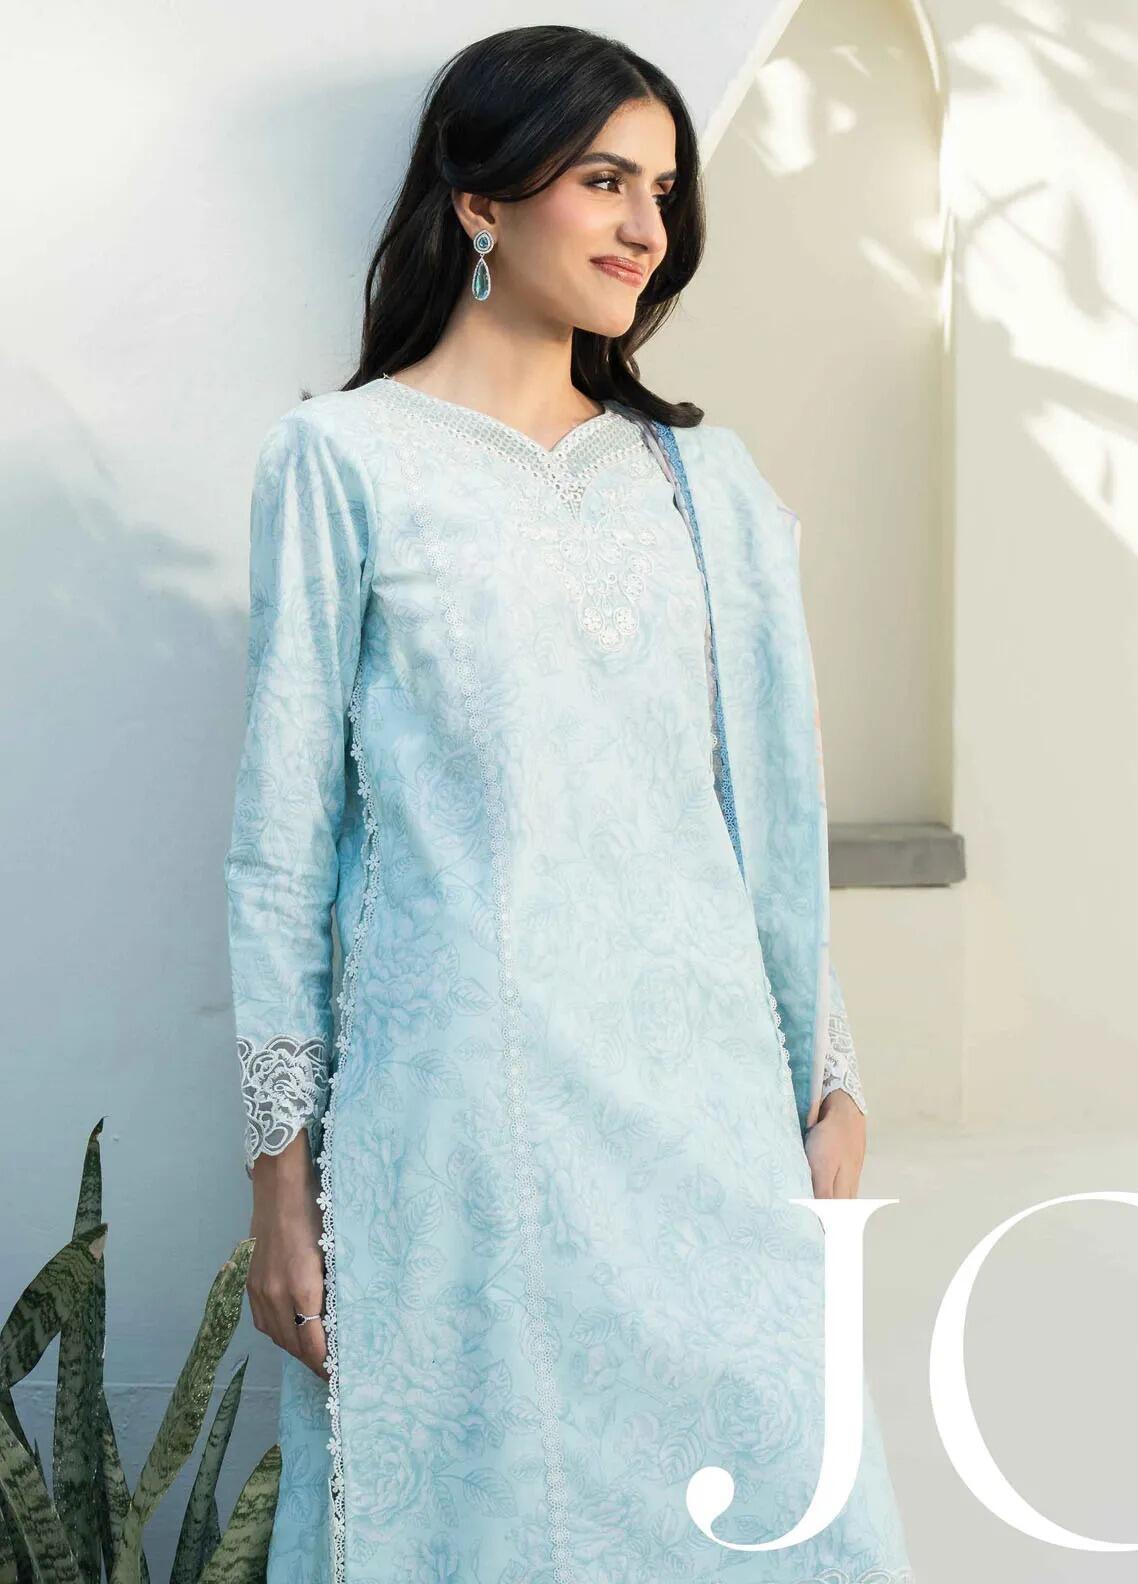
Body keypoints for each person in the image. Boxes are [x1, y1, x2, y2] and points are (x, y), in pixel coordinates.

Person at [223, 23, 914, 1584]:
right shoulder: (344, 463)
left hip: (705, 1107)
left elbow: (761, 808)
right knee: (486, 1520)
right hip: (466, 1114)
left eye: (662, 191)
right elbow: (279, 846)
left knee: (783, 1517)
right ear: (478, 201)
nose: (645, 228)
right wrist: (281, 1186)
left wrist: (830, 1076)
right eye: (604, 180)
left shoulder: (703, 482)